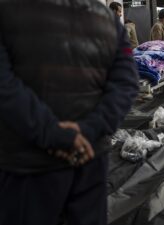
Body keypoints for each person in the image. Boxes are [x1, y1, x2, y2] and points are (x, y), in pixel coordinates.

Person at [0, 1, 139, 224]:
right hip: (89, 159)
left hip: (28, 164)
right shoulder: (109, 21)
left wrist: (55, 135)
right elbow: (128, 84)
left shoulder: (7, 11)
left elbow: (4, 87)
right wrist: (87, 131)